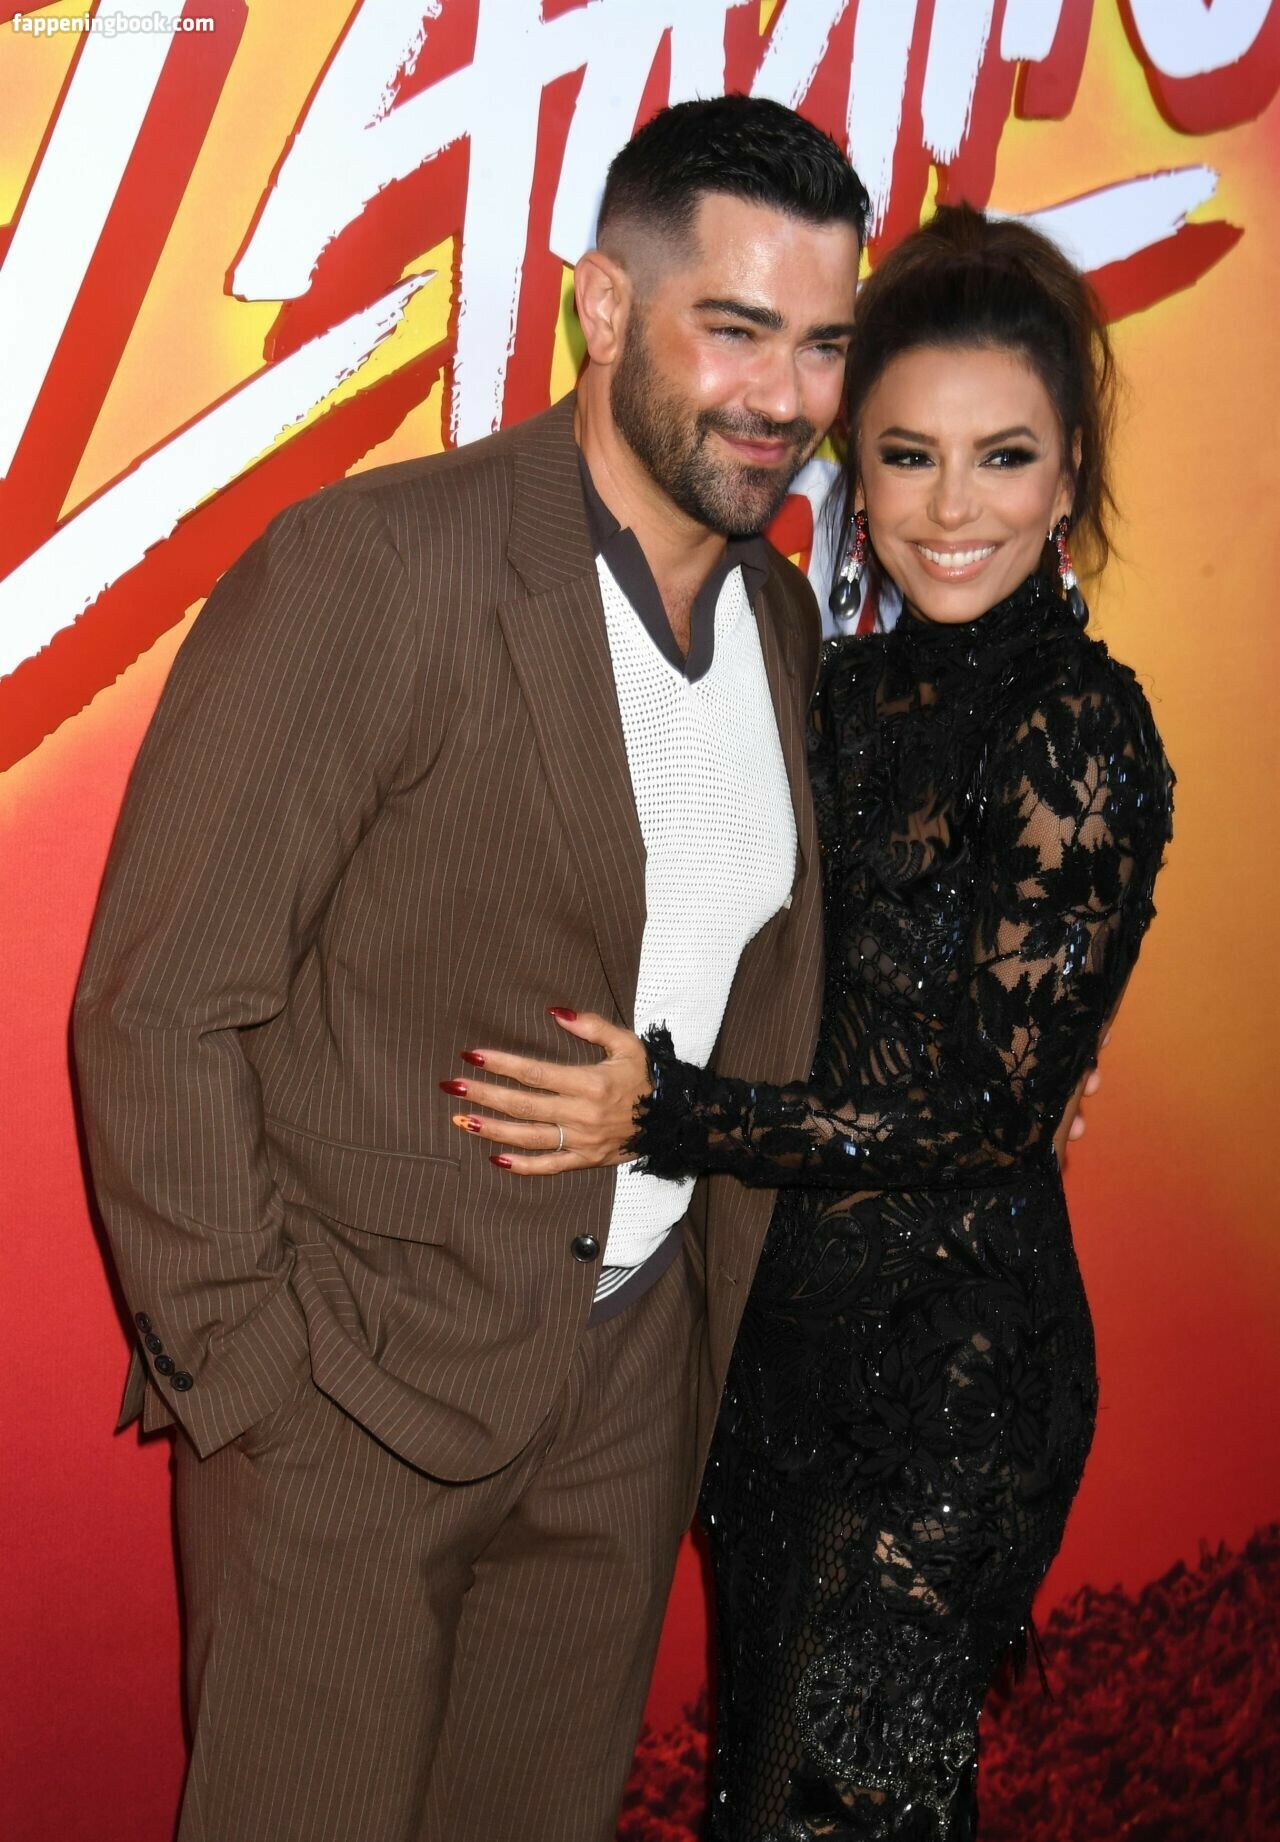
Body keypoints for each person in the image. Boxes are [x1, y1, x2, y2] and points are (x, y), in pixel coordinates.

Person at [72, 99, 867, 1842]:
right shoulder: (375, 566)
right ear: (603, 305)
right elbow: (160, 1000)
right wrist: (258, 1389)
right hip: (350, 1407)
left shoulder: (783, 622)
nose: (786, 397)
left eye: (822, 344)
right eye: (736, 328)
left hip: (629, 1401)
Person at [451, 203, 1175, 1839]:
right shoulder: (827, 689)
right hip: (772, 1358)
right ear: (858, 469)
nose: (953, 508)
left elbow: (990, 1114)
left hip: (951, 1385)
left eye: (1004, 457)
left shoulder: (1076, 725)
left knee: (842, 1813)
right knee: (761, 1798)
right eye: (909, 457)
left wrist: (670, 1112)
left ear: (1068, 475)